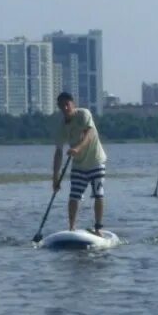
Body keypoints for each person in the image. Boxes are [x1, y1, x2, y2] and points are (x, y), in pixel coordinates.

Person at [53, 91, 108, 235]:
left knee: (98, 194)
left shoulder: (83, 114)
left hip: (96, 160)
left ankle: (98, 227)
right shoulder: (61, 126)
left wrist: (78, 147)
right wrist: (55, 177)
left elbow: (90, 134)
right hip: (78, 165)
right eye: (61, 106)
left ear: (73, 104)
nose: (65, 108)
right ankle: (72, 227)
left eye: (67, 104)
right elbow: (58, 152)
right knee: (74, 196)